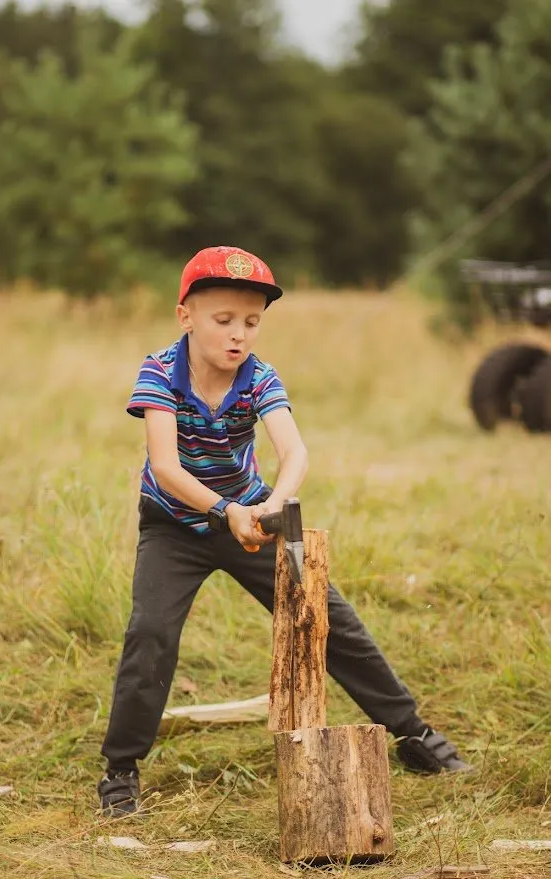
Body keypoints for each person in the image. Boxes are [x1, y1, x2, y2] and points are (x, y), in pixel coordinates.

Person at [98, 245, 472, 816]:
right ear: (186, 317)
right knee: (150, 633)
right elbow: (167, 467)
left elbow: (294, 452)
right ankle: (121, 770)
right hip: (175, 526)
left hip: (253, 520)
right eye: (223, 321)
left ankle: (413, 734)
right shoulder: (158, 372)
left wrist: (271, 505)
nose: (238, 335)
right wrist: (227, 511)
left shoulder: (259, 378)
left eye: (251, 322)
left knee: (328, 619)